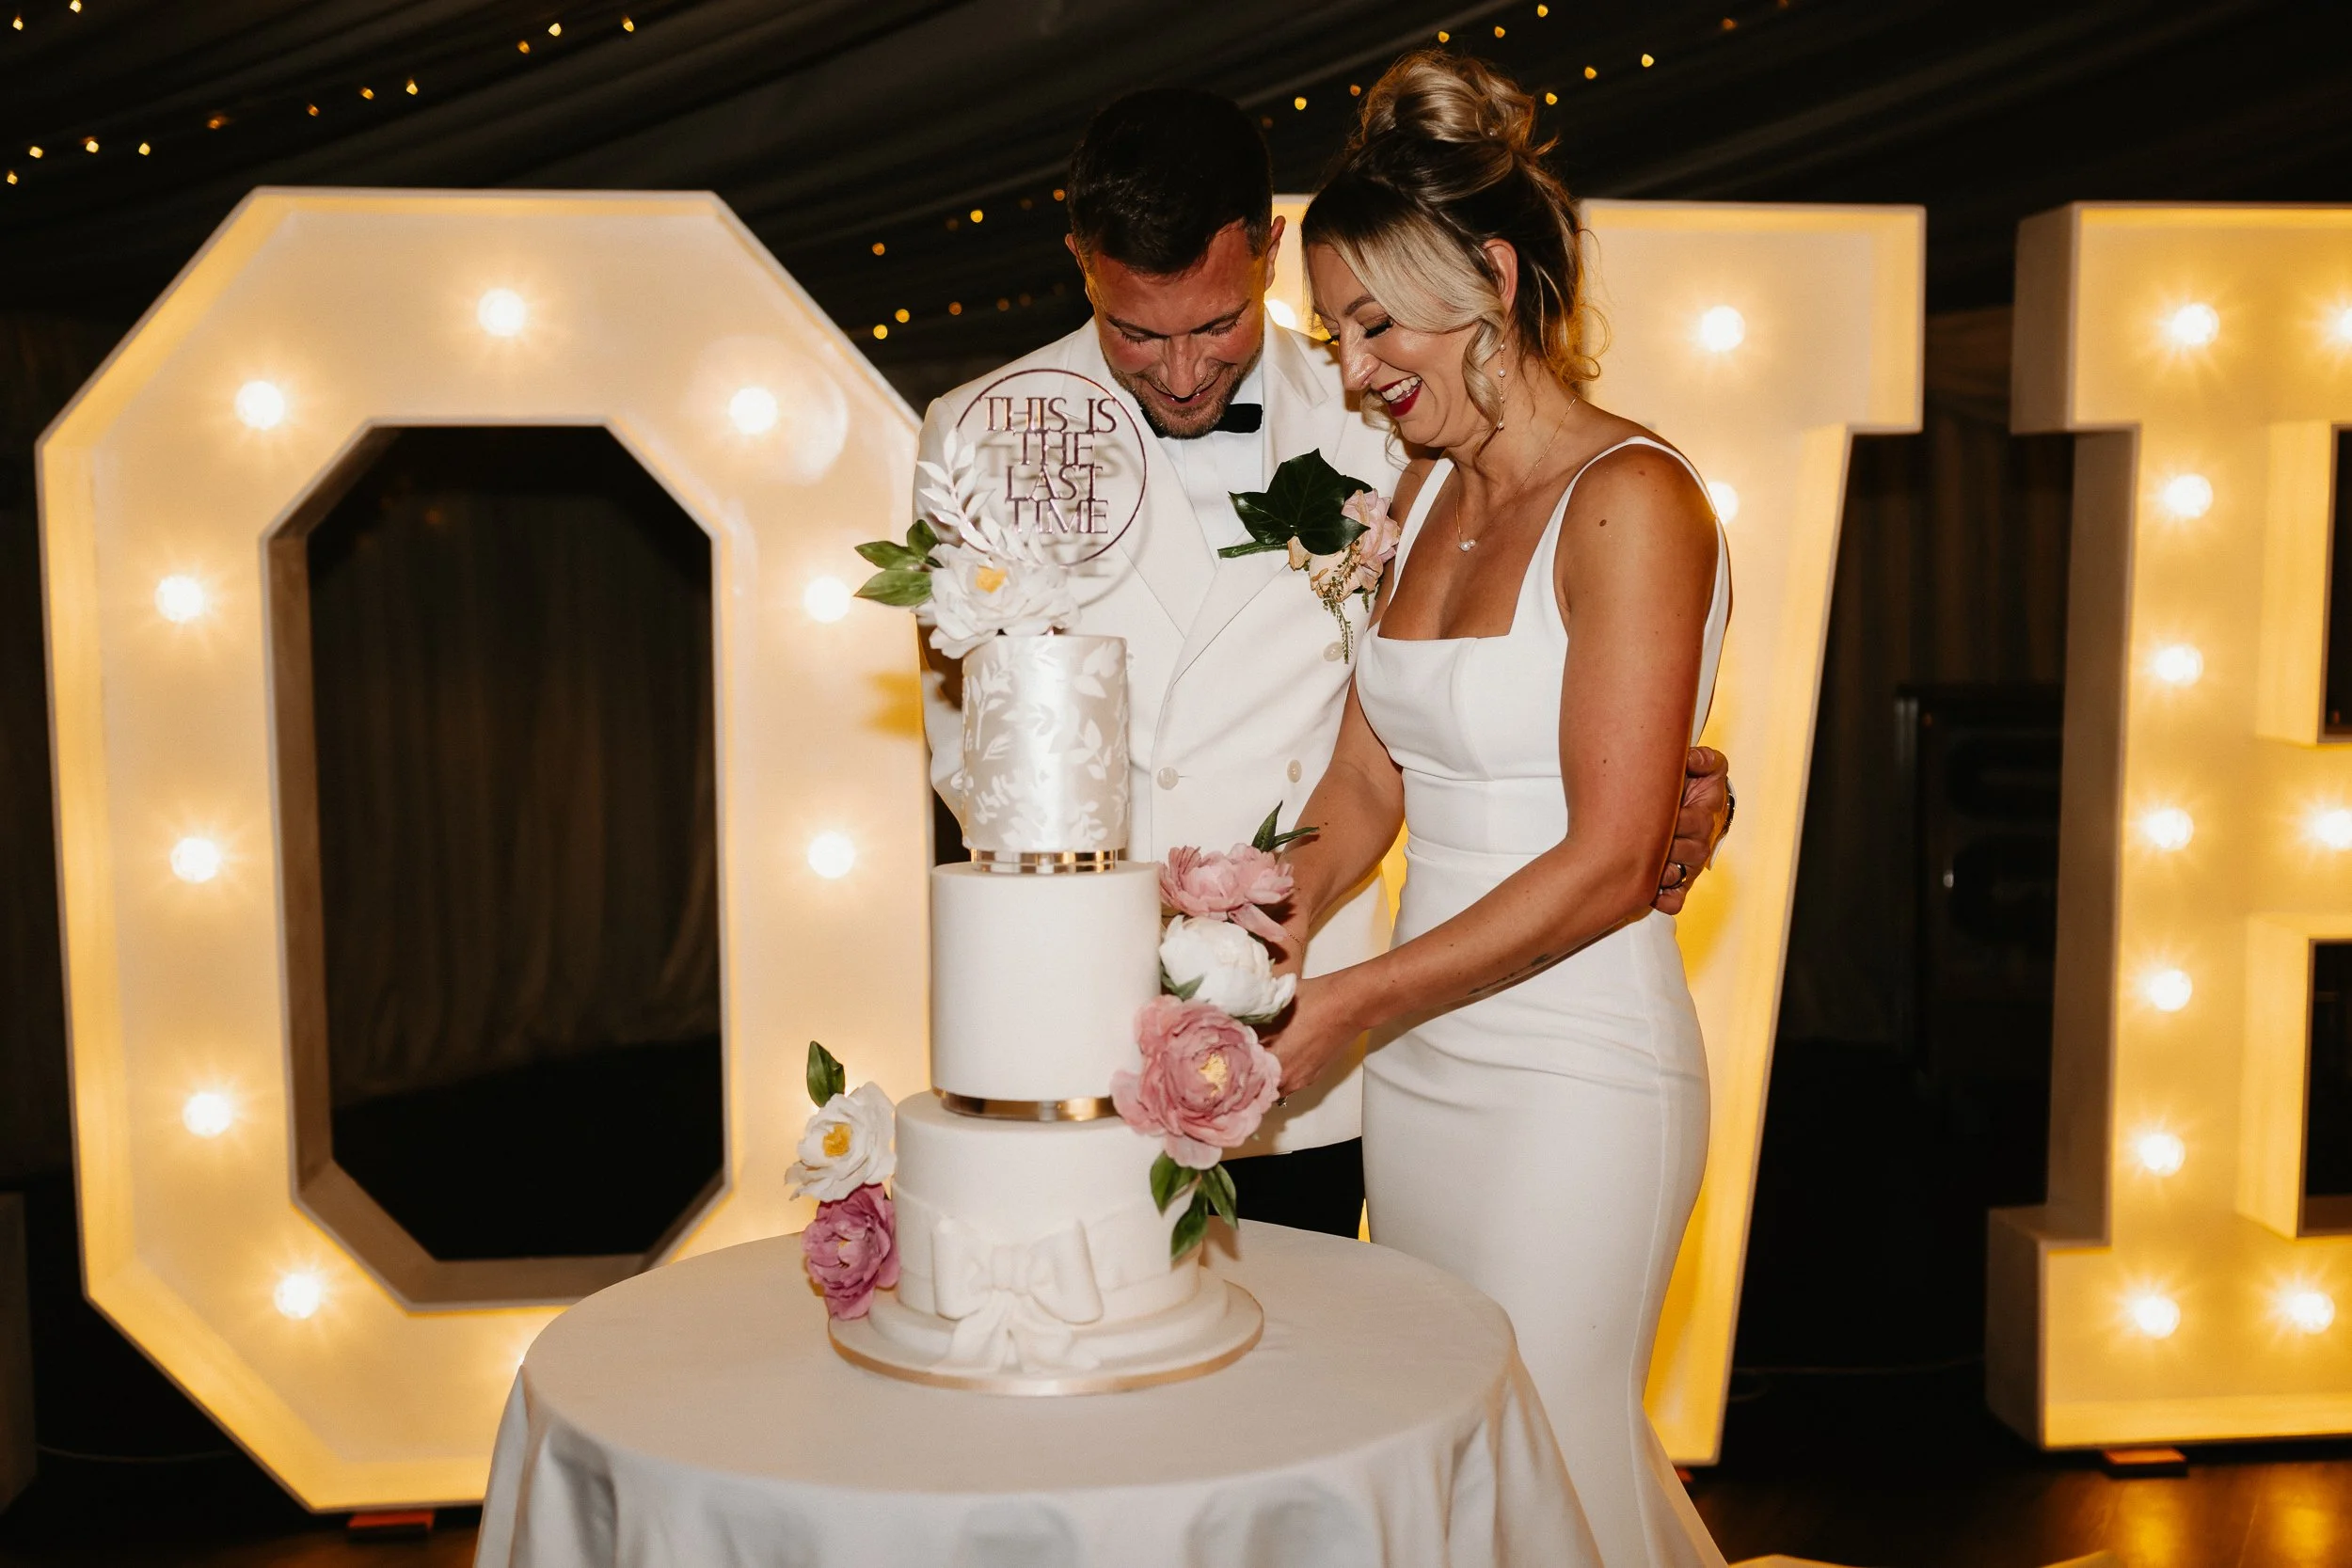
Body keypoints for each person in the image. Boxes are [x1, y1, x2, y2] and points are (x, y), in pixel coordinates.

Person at [915, 87, 1733, 1239]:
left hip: (1322, 1039)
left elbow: (1530, 659)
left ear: (1268, 248)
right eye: (1139, 332)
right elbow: (980, 758)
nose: (1184, 372)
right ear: (1079, 267)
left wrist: (1663, 780)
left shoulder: (1389, 422)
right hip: (1074, 1018)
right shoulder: (981, 433)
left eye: (1216, 324)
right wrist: (1139, 939)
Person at [1263, 53, 1731, 1568]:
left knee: (1557, 1449)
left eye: (1375, 321)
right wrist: (1238, 916)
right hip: (1424, 1055)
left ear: (1494, 278)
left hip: (1577, 1066)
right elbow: (1361, 785)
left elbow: (1608, 861)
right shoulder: (1417, 501)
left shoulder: (1635, 500)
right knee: (1467, 1464)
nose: (1352, 367)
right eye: (1336, 331)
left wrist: (1353, 998)